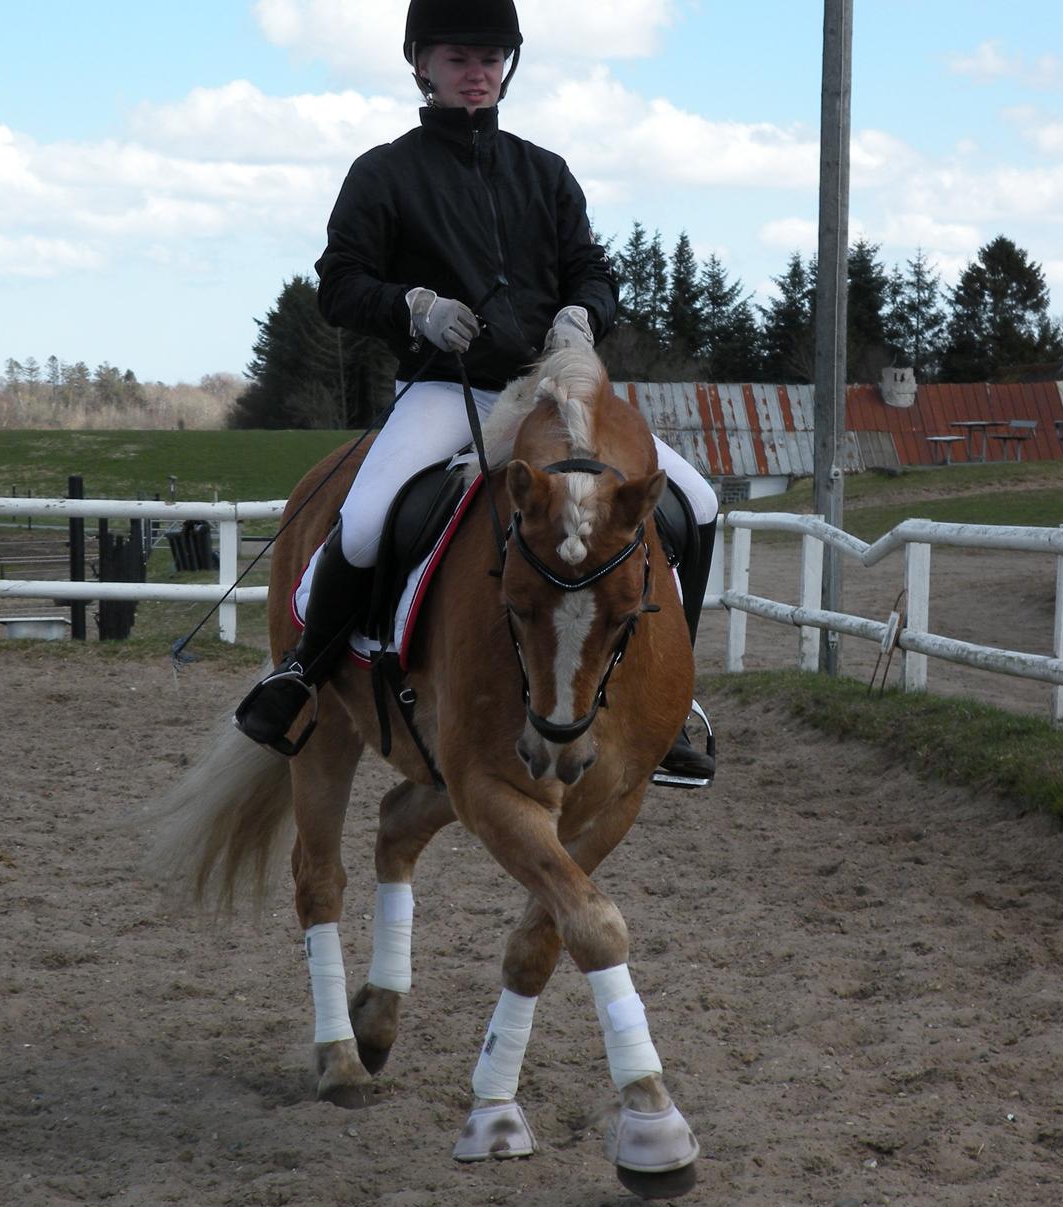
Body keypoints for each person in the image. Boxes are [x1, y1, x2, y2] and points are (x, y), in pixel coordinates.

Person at [234, 0, 717, 781]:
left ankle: (672, 704)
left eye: (490, 57)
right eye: (459, 57)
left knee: (695, 503)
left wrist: (578, 313)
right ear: (421, 64)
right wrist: (412, 307)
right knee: (361, 523)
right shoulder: (384, 172)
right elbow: (339, 285)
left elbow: (592, 270)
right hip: (446, 391)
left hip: (551, 398)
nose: (477, 71)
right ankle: (301, 674)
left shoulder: (545, 172)